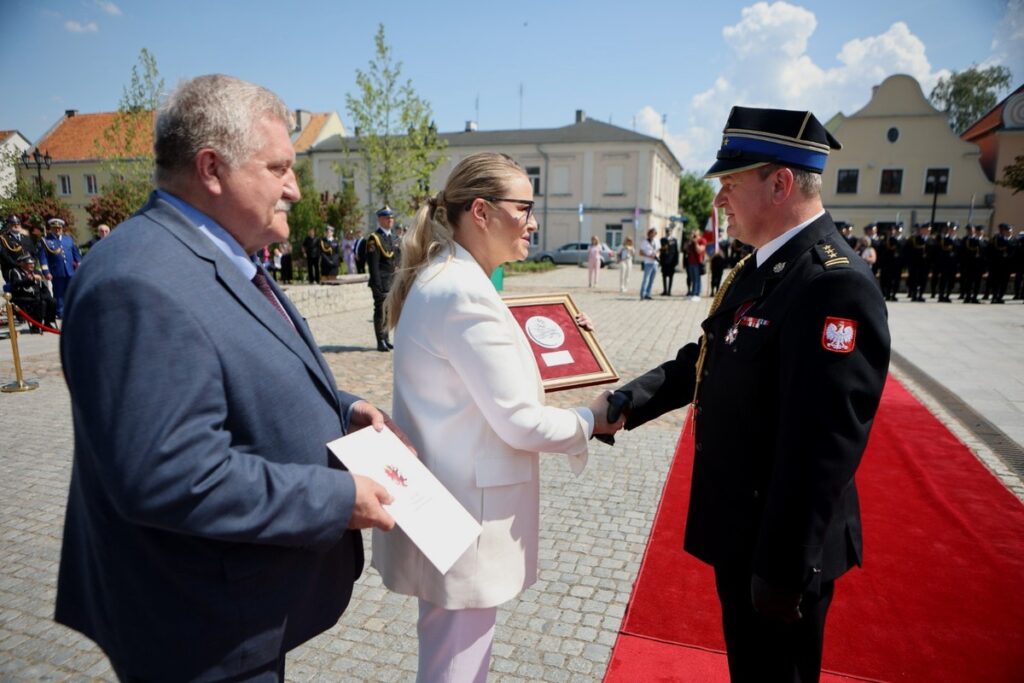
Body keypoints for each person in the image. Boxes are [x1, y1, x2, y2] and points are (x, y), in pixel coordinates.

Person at [55, 73, 405, 682]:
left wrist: (342, 407)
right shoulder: (140, 283)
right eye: (278, 169)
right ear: (212, 169)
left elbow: (239, 366)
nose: (295, 189)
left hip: (234, 606)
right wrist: (337, 497)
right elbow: (170, 474)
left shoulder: (212, 251)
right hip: (198, 627)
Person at [605, 107, 890, 683]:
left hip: (779, 549)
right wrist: (625, 403)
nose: (720, 199)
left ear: (781, 183)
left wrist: (784, 570)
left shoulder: (830, 282)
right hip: (744, 532)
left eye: (731, 183)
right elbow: (708, 359)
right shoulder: (762, 269)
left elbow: (824, 446)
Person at [371, 152, 620, 682]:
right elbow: (520, 422)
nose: (532, 221)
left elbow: (484, 378)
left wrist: (569, 344)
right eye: (522, 208)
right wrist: (589, 419)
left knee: (452, 660)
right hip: (465, 513)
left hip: (450, 506)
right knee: (457, 668)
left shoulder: (451, 279)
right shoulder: (463, 292)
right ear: (480, 212)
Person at [366, 205, 398, 351]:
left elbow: (397, 260)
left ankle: (386, 338)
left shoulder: (393, 237)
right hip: (380, 281)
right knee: (380, 310)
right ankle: (380, 341)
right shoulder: (374, 239)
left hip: (391, 281)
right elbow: (373, 265)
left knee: (388, 312)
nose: (390, 220)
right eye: (386, 218)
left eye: (391, 217)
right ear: (380, 220)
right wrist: (377, 284)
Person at [36, 217, 81, 318]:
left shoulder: (68, 239)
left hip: (70, 270)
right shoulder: (45, 241)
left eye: (59, 228)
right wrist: (46, 271)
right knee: (59, 292)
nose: (57, 230)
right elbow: (43, 258)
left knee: (70, 291)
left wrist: (79, 262)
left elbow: (76, 252)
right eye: (55, 228)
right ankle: (60, 311)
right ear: (51, 229)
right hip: (56, 271)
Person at [8, 252, 56, 332]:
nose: (32, 265)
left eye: (33, 263)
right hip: (23, 296)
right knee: (41, 302)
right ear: (22, 264)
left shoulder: (36, 272)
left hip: (37, 295)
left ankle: (47, 323)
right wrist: (30, 279)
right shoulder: (15, 272)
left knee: (52, 301)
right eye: (29, 264)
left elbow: (43, 287)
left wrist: (47, 296)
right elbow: (16, 284)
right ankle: (36, 326)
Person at [1, 215, 34, 283]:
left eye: (18, 224)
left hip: (28, 270)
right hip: (13, 270)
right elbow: (4, 256)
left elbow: (33, 254)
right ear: (9, 225)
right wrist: (18, 264)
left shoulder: (26, 238)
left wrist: (32, 265)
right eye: (13, 224)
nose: (16, 226)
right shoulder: (3, 239)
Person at [684, 230, 707, 300]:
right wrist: (689, 241)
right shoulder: (691, 241)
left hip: (698, 262)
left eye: (695, 234)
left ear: (699, 234)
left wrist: (696, 242)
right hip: (690, 262)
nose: (693, 235)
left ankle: (697, 293)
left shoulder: (702, 240)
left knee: (697, 278)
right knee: (692, 278)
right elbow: (685, 249)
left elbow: (699, 250)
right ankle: (693, 292)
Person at [638, 228, 658, 300]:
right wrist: (649, 256)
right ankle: (642, 294)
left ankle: (648, 293)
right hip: (648, 262)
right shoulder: (645, 242)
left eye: (655, 233)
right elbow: (640, 252)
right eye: (652, 233)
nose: (654, 234)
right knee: (646, 279)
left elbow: (658, 249)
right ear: (649, 233)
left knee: (652, 280)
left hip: (655, 263)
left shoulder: (656, 241)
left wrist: (656, 255)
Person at [659, 228, 680, 295]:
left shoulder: (674, 240)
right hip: (664, 261)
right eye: (667, 231)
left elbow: (676, 251)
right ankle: (665, 290)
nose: (668, 233)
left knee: (671, 276)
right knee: (664, 276)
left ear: (671, 232)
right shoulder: (662, 239)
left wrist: (676, 261)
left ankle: (669, 291)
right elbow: (660, 250)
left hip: (671, 261)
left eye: (669, 231)